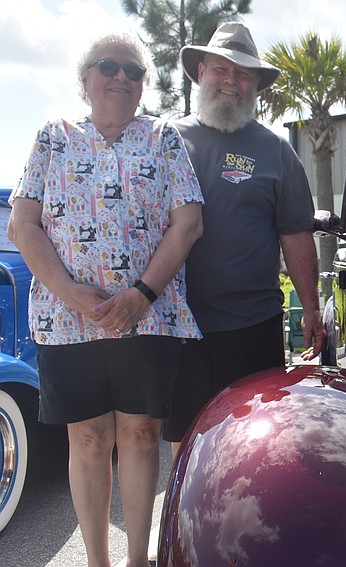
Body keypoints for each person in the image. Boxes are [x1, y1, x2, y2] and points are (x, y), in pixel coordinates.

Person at [7, 32, 204, 567]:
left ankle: (137, 560)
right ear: (85, 79)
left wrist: (141, 294)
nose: (121, 77)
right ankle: (98, 561)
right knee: (90, 439)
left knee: (140, 435)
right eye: (109, 66)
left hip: (148, 318)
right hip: (68, 321)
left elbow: (188, 223)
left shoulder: (163, 139)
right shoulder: (53, 138)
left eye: (134, 71)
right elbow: (23, 224)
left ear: (143, 85)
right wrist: (70, 292)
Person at [162, 22, 325, 453]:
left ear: (255, 85)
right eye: (221, 69)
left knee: (254, 442)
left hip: (253, 325)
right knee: (186, 444)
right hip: (179, 324)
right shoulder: (167, 141)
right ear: (201, 73)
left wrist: (311, 308)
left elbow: (296, 234)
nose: (231, 81)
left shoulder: (277, 151)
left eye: (243, 74)